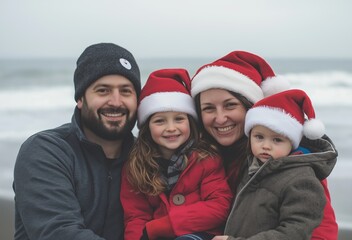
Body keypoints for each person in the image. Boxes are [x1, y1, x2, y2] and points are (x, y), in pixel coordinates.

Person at [190, 51, 339, 240]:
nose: (220, 118)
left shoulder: (290, 160)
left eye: (230, 105)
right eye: (209, 108)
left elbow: (318, 232)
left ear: (251, 108)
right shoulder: (203, 157)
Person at [13, 43, 141, 240]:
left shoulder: (146, 157)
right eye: (103, 90)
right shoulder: (46, 151)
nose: (116, 102)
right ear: (80, 98)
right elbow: (59, 232)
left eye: (126, 91)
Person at [120, 68, 233, 240]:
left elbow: (220, 206)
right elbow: (136, 216)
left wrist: (164, 226)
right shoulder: (135, 166)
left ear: (190, 122)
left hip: (200, 234)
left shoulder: (206, 159)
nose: (171, 128)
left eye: (179, 119)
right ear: (147, 128)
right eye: (160, 121)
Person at [215, 89, 337, 239]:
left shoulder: (301, 179)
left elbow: (295, 232)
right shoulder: (252, 166)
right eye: (259, 137)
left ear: (292, 143)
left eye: (277, 140)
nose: (266, 146)